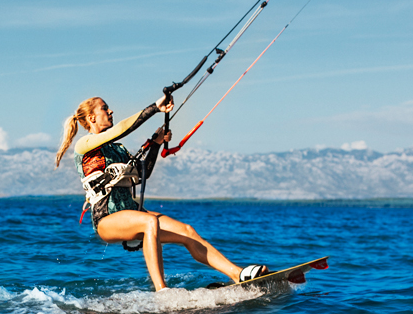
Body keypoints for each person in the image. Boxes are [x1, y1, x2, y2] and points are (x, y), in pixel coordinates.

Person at [55, 95, 268, 292]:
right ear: (91, 117)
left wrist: (156, 145)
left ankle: (238, 274)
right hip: (106, 220)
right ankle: (162, 290)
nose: (111, 112)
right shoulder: (84, 145)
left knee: (187, 231)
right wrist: (155, 108)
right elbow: (121, 129)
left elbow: (143, 171)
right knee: (150, 222)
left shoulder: (118, 149)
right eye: (105, 109)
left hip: (131, 212)